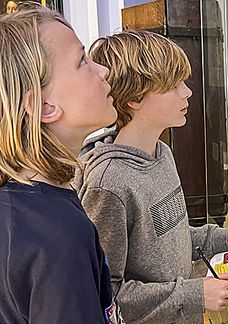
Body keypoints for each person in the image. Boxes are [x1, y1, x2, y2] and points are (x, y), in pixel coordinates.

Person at [74, 30, 228, 323]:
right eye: (174, 84)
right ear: (135, 97)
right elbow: (106, 296)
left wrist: (221, 239)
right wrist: (194, 295)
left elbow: (166, 237)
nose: (187, 92)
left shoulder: (162, 152)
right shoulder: (108, 184)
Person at [0, 6, 119, 323]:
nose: (103, 70)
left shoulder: (17, 205)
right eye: (82, 61)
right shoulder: (61, 236)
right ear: (45, 106)